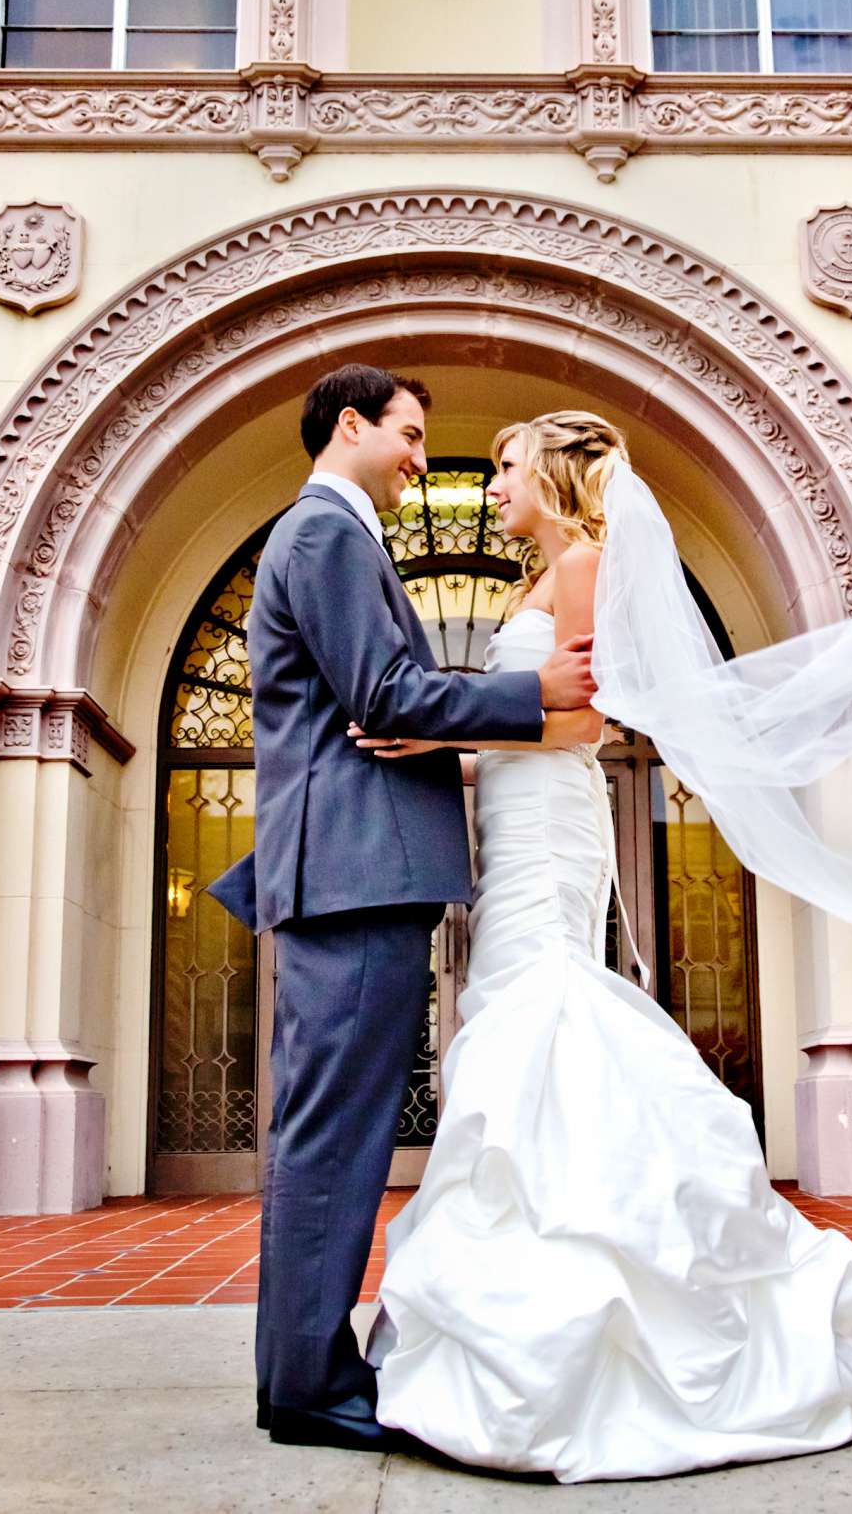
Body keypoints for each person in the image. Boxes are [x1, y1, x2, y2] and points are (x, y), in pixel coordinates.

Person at [349, 411, 852, 1482]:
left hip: (553, 831)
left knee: (542, 1009)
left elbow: (582, 725)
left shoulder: (583, 562)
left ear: (557, 478)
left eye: (508, 470)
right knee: (523, 1015)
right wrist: (437, 764)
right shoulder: (546, 575)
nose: (492, 488)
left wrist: (437, 728)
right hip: (518, 821)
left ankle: (590, 1262)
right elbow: (528, 722)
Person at [205, 365, 600, 1455]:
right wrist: (536, 695)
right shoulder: (327, 535)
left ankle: (308, 1372)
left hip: (354, 871)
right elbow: (381, 696)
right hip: (355, 874)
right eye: (412, 435)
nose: (425, 459)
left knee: (332, 1130)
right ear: (352, 427)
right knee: (334, 1136)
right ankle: (308, 1385)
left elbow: (380, 704)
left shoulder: (331, 536)